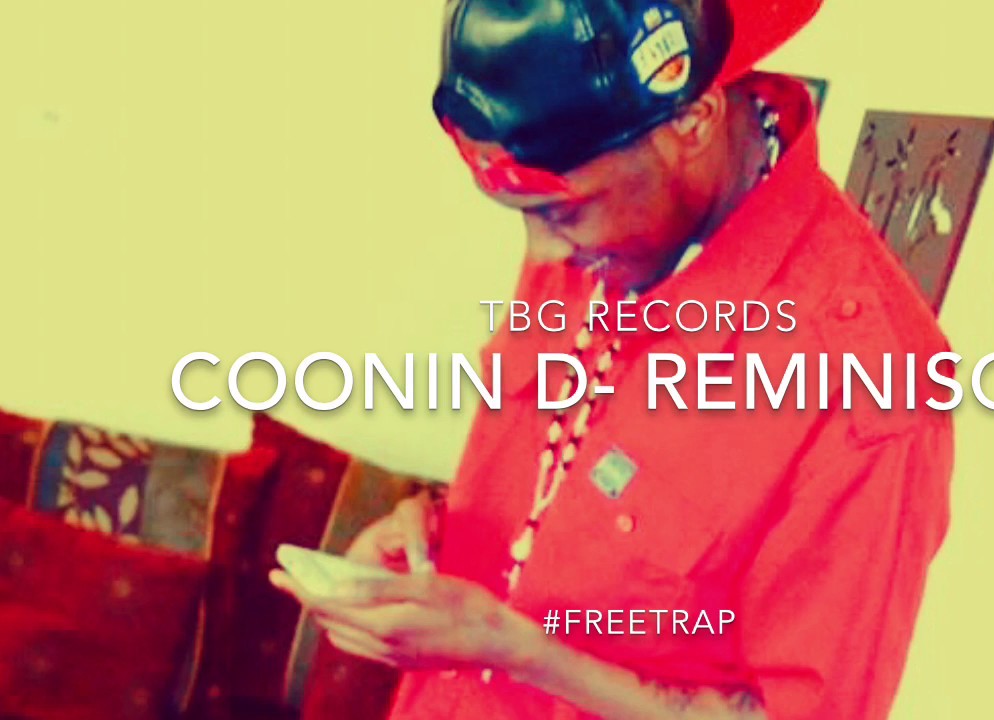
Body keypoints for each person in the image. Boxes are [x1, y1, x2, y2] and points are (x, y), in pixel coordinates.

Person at [269, 0, 956, 717]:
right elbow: (564, 494)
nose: (542, 251)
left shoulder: (869, 391)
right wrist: (431, 531)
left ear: (690, 122)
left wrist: (520, 650)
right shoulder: (598, 226)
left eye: (561, 210)